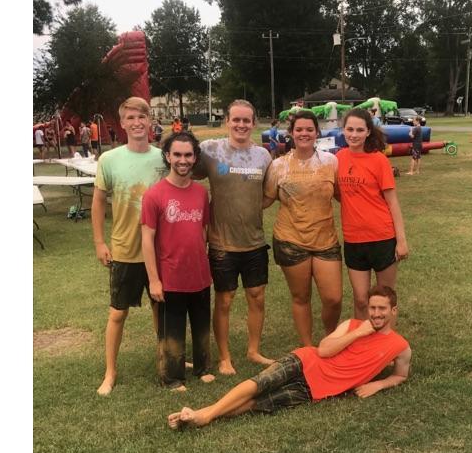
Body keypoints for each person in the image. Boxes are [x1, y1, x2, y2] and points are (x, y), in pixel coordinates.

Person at [168, 285, 411, 429]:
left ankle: (197, 415)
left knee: (259, 404)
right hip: (306, 360)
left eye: (382, 309)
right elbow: (324, 350)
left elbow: (401, 374)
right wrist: (359, 332)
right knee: (259, 383)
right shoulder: (353, 324)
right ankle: (205, 415)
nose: (376, 314)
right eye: (373, 308)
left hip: (316, 390)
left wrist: (378, 384)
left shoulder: (400, 346)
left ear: (393, 311)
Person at [91, 97, 166, 396]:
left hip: (160, 251)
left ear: (150, 121)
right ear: (121, 123)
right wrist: (99, 242)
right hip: (123, 249)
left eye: (142, 117)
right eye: (131, 118)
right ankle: (110, 371)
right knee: (117, 314)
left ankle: (167, 357)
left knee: (161, 308)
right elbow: (98, 203)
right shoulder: (108, 160)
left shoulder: (164, 158)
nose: (137, 122)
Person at [193, 99, 273, 375]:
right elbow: (184, 171)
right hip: (221, 243)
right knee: (225, 300)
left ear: (254, 123)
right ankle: (224, 357)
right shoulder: (210, 150)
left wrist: (247, 208)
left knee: (257, 296)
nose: (241, 125)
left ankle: (253, 350)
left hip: (255, 241)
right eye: (236, 119)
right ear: (226, 121)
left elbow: (267, 193)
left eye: (246, 120)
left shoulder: (263, 156)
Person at [141, 131, 215, 391]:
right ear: (167, 156)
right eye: (177, 155)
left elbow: (203, 231)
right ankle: (172, 376)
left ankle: (203, 366)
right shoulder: (154, 195)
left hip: (199, 274)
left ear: (195, 158)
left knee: (202, 324)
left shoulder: (200, 193)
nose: (183, 160)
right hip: (169, 277)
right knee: (171, 330)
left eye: (188, 155)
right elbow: (147, 239)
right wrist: (153, 280)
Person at [263, 110, 342, 347]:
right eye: (299, 129)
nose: (304, 133)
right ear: (291, 133)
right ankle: (307, 348)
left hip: (326, 240)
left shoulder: (331, 161)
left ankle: (329, 339)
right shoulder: (278, 166)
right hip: (290, 240)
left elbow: (343, 196)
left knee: (333, 298)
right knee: (301, 297)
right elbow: (265, 200)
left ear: (317, 132)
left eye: (309, 129)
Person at [336, 107, 409, 319]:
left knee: (384, 299)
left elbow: (392, 202)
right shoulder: (338, 158)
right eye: (350, 129)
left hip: (382, 237)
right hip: (353, 239)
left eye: (360, 130)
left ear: (368, 131)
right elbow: (337, 192)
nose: (354, 134)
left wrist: (401, 241)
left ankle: (386, 347)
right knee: (361, 300)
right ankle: (362, 346)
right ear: (343, 130)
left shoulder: (379, 160)